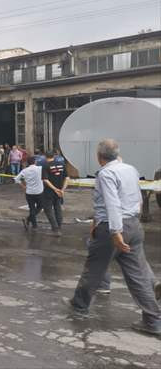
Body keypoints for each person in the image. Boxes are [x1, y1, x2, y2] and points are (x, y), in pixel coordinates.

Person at [66, 139, 161, 337]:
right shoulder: (130, 170)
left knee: (94, 268)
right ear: (117, 155)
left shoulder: (106, 173)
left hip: (113, 227)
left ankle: (79, 304)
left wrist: (116, 232)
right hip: (133, 223)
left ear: (99, 157)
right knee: (138, 275)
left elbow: (112, 204)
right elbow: (137, 199)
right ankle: (153, 321)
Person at [15, 156, 45, 231]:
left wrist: (23, 186)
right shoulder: (40, 169)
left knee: (32, 208)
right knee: (40, 206)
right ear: (35, 162)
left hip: (29, 192)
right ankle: (28, 219)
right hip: (39, 192)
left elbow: (16, 179)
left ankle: (34, 225)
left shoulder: (25, 171)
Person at [41, 150, 68, 233]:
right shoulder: (62, 165)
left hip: (49, 191)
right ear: (54, 156)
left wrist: (55, 189)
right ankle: (59, 226)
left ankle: (55, 228)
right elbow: (67, 178)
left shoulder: (45, 165)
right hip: (60, 191)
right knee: (57, 208)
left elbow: (45, 180)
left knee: (48, 209)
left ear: (45, 156)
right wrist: (62, 190)